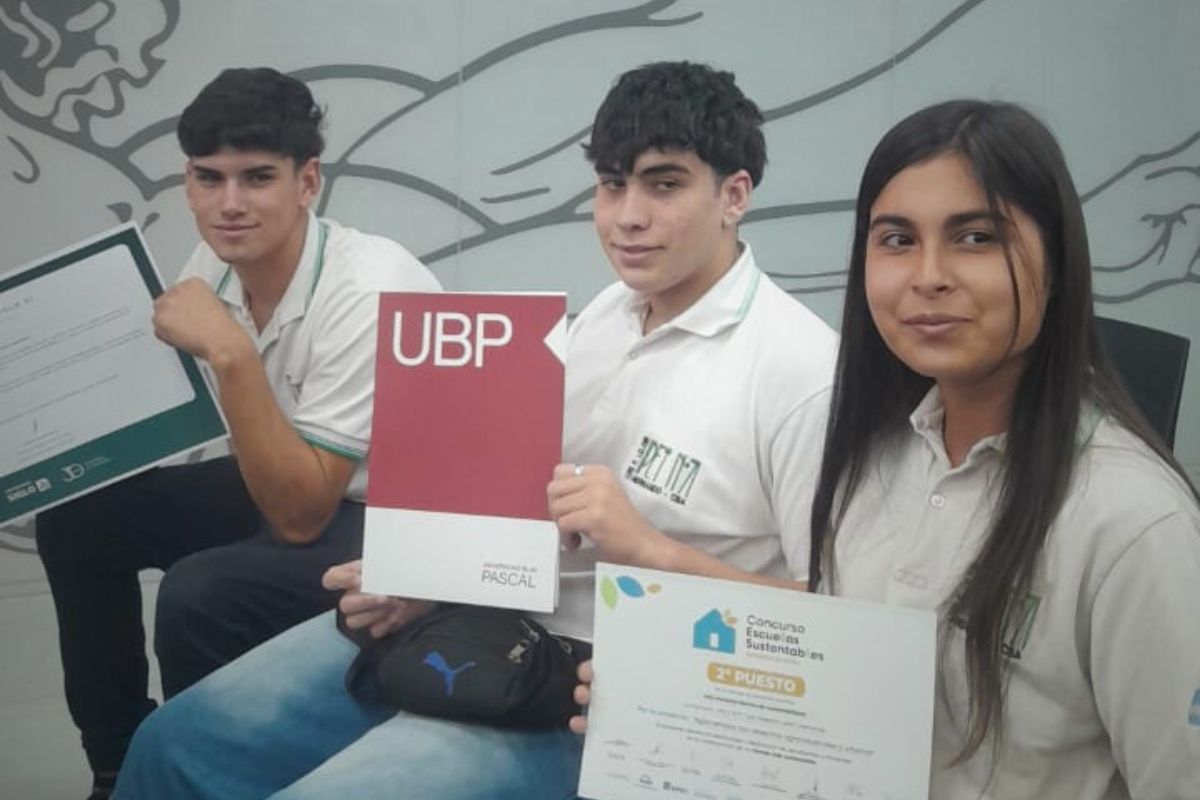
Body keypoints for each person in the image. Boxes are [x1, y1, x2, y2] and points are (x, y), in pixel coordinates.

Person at [111, 61, 838, 799]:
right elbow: (520, 519)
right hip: (481, 627)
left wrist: (651, 551)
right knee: (171, 745)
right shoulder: (601, 319)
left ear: (733, 195)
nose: (627, 216)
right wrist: (427, 584)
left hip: (616, 695)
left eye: (664, 185)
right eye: (612, 184)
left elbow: (838, 624)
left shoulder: (799, 371)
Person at [578, 99, 1200, 797]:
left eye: (975, 238)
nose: (928, 276)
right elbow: (828, 688)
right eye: (897, 240)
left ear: (1055, 257)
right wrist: (665, 699)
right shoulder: (871, 463)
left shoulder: (1134, 525)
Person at [35, 67, 440, 799]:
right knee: (77, 519)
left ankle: (210, 778)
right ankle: (120, 768)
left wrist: (230, 353)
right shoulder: (213, 265)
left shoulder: (372, 287)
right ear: (186, 183)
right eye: (208, 178)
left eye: (256, 178)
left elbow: (299, 517)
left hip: (401, 520)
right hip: (301, 480)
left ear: (307, 182)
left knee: (201, 589)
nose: (229, 205)